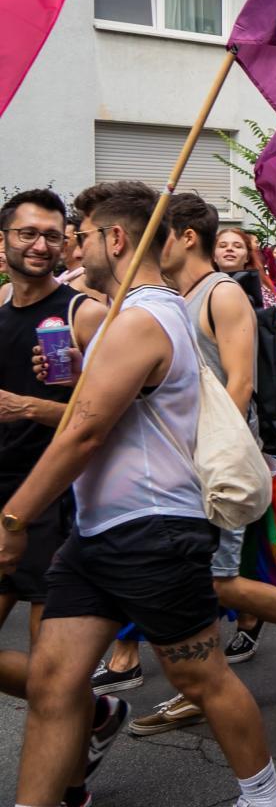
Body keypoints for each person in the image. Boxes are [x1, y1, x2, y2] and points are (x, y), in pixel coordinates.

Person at [0, 182, 276, 807]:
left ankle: (266, 798)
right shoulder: (135, 315)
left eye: (79, 234)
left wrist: (14, 515)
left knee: (199, 674)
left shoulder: (142, 318)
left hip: (154, 528)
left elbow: (83, 434)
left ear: (116, 239)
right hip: (101, 532)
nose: (71, 247)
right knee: (53, 682)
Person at [121, 194, 276, 736]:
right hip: (176, 458)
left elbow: (239, 383)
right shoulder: (175, 294)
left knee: (219, 581)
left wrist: (206, 454)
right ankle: (200, 685)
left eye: (160, 233)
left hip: (214, 458)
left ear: (184, 237)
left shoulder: (222, 294)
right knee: (186, 578)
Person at [0, 190, 122, 806]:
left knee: (54, 668)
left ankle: (71, 788)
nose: (40, 245)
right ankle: (94, 707)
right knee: (59, 682)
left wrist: (25, 406)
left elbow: (101, 420)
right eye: (27, 234)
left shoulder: (86, 314)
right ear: (5, 242)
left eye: (52, 234)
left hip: (54, 499)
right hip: (0, 497)